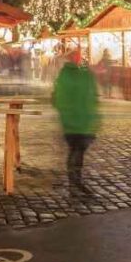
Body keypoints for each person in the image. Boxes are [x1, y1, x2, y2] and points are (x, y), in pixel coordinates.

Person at [52, 48, 99, 194]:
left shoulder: (65, 75)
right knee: (77, 151)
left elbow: (56, 99)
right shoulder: (83, 75)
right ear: (75, 58)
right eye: (78, 56)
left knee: (75, 150)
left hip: (71, 122)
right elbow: (92, 98)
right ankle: (75, 181)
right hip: (80, 122)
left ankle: (74, 180)